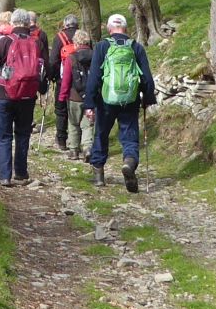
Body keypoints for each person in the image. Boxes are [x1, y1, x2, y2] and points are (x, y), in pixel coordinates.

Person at [83, 13, 156, 192]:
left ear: (109, 29)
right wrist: (147, 99)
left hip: (105, 100)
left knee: (101, 134)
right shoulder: (136, 47)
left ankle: (99, 175)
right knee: (129, 137)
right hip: (130, 101)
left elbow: (94, 77)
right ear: (125, 28)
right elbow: (147, 78)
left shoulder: (102, 47)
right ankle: (129, 164)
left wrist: (89, 104)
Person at [0, 9, 43, 186]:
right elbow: (43, 68)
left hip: (4, 94)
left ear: (12, 24)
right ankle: (21, 172)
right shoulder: (36, 43)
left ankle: (5, 176)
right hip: (28, 96)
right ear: (28, 24)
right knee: (23, 133)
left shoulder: (5, 41)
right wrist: (41, 89)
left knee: (4, 135)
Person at [46, 15, 80, 150]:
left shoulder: (60, 37)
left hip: (62, 80)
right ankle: (79, 140)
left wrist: (52, 77)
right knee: (79, 110)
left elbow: (53, 60)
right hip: (81, 81)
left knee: (61, 110)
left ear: (65, 25)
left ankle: (61, 139)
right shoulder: (83, 36)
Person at [59, 27, 92, 159]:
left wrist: (62, 96)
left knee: (73, 123)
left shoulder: (71, 58)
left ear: (76, 43)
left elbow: (66, 79)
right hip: (90, 96)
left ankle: (73, 150)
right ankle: (87, 148)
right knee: (88, 124)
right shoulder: (95, 55)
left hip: (74, 96)